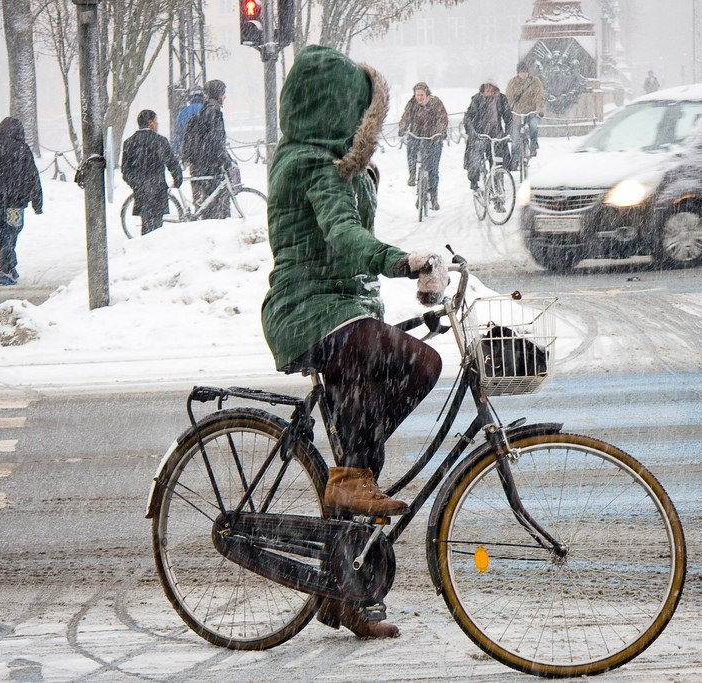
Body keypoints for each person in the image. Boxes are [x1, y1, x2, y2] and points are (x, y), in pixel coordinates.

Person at [261, 45, 447, 641]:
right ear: (337, 110)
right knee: (418, 363)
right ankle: (348, 478)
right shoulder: (311, 166)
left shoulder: (337, 164)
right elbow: (343, 239)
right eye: (359, 110)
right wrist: (402, 260)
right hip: (307, 312)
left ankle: (344, 592)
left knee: (363, 445)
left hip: (341, 311)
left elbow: (348, 247)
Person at [0, 116, 43, 286]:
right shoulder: (22, 150)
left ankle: (9, 265)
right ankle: (6, 269)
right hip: (16, 202)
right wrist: (37, 201)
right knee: (11, 234)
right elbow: (32, 176)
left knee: (0, 235)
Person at [121, 109, 183, 236]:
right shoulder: (160, 141)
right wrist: (177, 177)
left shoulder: (129, 143)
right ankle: (153, 247)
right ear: (150, 123)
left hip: (141, 190)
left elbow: (125, 170)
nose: (157, 124)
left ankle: (146, 245)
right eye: (156, 121)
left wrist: (136, 183)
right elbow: (171, 162)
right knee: (157, 223)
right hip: (157, 187)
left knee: (146, 222)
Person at [180, 79, 234, 218]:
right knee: (215, 205)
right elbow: (216, 141)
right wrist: (226, 160)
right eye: (223, 93)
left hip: (201, 163)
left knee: (206, 202)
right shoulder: (214, 111)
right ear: (217, 94)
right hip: (211, 164)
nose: (225, 97)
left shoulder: (205, 108)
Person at [398, 81, 448, 210]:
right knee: (411, 148)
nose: (419, 97)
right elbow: (405, 117)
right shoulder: (412, 104)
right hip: (416, 135)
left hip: (433, 138)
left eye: (422, 94)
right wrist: (402, 127)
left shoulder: (436, 103)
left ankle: (433, 197)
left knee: (433, 170)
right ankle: (413, 174)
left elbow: (442, 118)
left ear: (427, 93)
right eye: (417, 95)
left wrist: (441, 132)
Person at [462, 79, 513, 189]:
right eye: (487, 90)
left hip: (496, 136)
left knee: (498, 162)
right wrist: (472, 133)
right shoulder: (476, 100)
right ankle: (475, 183)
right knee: (474, 160)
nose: (489, 92)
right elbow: (468, 117)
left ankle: (498, 189)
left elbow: (508, 117)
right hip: (479, 135)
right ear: (483, 90)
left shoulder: (501, 99)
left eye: (491, 90)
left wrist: (508, 132)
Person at [505, 61, 546, 158]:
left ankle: (533, 146)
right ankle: (514, 158)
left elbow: (539, 96)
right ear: (518, 73)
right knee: (515, 136)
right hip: (517, 113)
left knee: (533, 125)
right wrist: (507, 110)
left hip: (531, 112)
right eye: (522, 72)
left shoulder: (535, 81)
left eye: (526, 71)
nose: (524, 74)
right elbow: (508, 98)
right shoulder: (512, 82)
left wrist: (539, 109)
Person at [170, 87, 204, 156]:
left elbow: (178, 133)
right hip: (205, 149)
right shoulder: (208, 109)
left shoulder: (183, 112)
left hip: (188, 149)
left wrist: (174, 150)